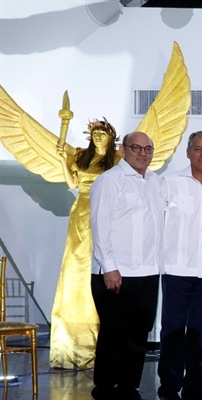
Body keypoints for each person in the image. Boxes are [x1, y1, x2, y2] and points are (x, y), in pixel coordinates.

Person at [89, 131, 164, 400]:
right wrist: (109, 267)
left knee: (138, 336)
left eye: (148, 148)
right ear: (123, 150)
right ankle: (104, 393)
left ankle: (128, 391)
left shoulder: (155, 181)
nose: (143, 153)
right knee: (113, 335)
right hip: (116, 273)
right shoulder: (109, 181)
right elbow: (100, 224)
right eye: (137, 147)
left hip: (147, 271)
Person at [157, 131, 202, 400]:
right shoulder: (169, 183)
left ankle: (195, 386)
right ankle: (169, 388)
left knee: (199, 332)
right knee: (172, 331)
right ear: (188, 153)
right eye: (198, 149)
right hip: (176, 269)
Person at [50, 119, 118, 370]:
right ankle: (72, 344)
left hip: (104, 213)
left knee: (100, 271)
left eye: (102, 133)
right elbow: (72, 184)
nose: (98, 137)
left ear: (111, 137)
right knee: (75, 273)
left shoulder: (117, 162)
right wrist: (61, 160)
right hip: (80, 214)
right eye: (95, 133)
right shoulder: (81, 156)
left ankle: (100, 342)